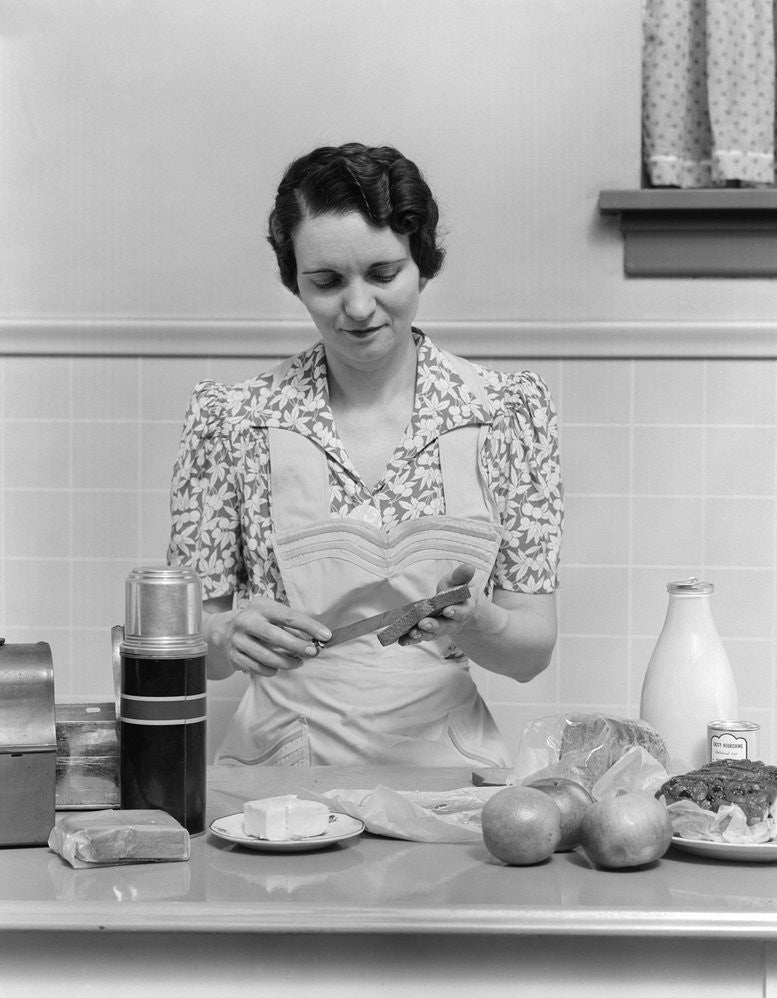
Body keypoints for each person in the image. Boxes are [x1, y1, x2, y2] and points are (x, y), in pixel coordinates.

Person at [167, 142, 562, 768]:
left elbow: (532, 653)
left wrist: (480, 622)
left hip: (450, 771)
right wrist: (219, 633)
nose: (356, 307)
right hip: (278, 776)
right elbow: (187, 648)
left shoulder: (506, 413)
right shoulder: (232, 421)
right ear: (293, 281)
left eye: (383, 275)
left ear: (423, 264)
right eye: (326, 281)